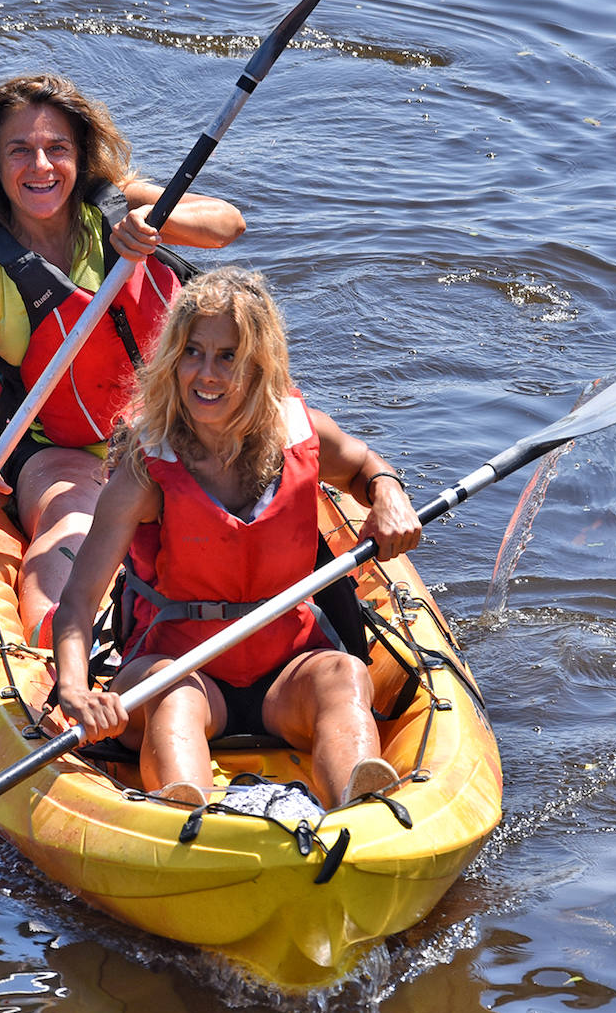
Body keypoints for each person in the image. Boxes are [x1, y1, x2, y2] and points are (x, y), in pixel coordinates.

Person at [53, 267, 422, 810]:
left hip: (289, 671)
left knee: (344, 672)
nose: (207, 372)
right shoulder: (145, 471)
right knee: (170, 694)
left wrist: (389, 492)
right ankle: (185, 816)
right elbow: (77, 605)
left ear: (258, 366)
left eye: (228, 356)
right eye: (193, 352)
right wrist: (73, 688)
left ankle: (365, 814)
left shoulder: (301, 433)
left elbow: (365, 465)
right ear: (173, 360)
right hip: (181, 669)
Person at [0, 72, 244, 645]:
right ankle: (60, 644)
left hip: (167, 428)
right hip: (58, 451)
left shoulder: (121, 207)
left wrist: (155, 223)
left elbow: (227, 224)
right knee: (76, 526)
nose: (40, 166)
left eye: (57, 149)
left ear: (79, 157)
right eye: (20, 150)